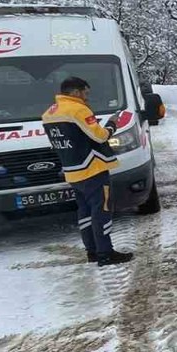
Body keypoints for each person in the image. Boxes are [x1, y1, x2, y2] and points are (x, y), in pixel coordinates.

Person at [42, 77, 134, 266]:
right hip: (92, 169)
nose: (86, 98)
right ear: (76, 92)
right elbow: (99, 137)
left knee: (84, 212)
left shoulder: (50, 112)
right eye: (85, 93)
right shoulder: (78, 109)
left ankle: (91, 252)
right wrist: (112, 124)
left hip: (73, 171)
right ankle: (105, 253)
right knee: (101, 211)